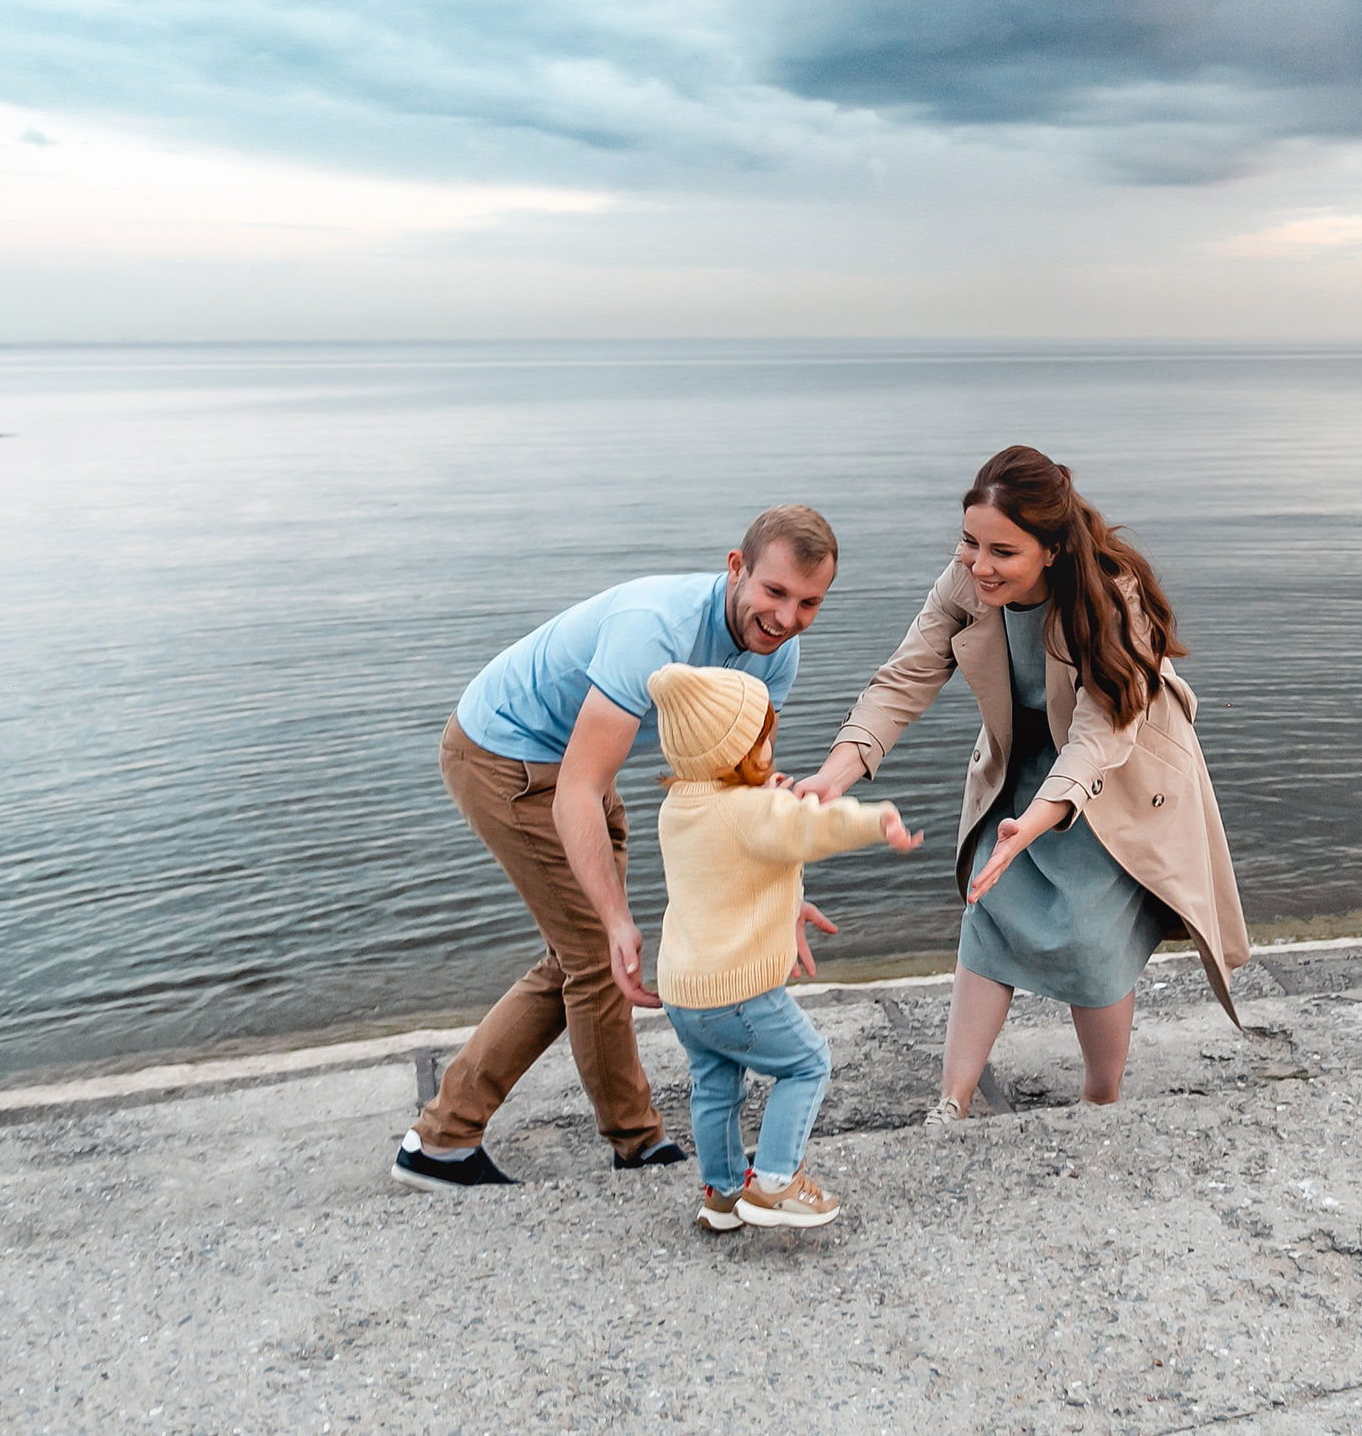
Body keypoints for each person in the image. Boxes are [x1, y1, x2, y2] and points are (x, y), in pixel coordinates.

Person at [392, 506, 843, 1192]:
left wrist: (784, 895)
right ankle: (635, 1145)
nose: (786, 618)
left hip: (576, 763)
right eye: (774, 592)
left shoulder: (776, 655)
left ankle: (443, 1137)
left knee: (579, 959)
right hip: (506, 754)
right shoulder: (654, 629)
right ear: (736, 569)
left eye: (809, 602)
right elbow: (578, 788)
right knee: (597, 955)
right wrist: (616, 920)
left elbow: (742, 788)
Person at [795, 446, 1248, 1122]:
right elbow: (903, 680)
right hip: (1021, 764)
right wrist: (835, 775)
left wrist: (1033, 824)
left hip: (1113, 781)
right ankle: (950, 1102)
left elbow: (1100, 735)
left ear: (1053, 550)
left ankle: (1101, 1096)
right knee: (989, 910)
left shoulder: (1112, 596)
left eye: (1001, 551)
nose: (979, 564)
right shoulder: (964, 583)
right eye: (970, 542)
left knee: (1092, 938)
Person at [643, 663, 921, 1230]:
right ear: (735, 751)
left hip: (684, 990)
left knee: (716, 1086)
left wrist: (759, 801)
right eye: (764, 734)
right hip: (737, 988)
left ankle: (721, 1195)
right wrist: (875, 821)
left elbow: (735, 862)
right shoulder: (753, 811)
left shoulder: (679, 808)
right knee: (807, 1063)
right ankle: (775, 1181)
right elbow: (808, 830)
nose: (773, 741)